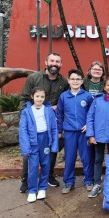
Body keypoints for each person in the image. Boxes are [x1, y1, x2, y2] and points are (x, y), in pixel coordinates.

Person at [20, 52, 69, 193]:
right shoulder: (33, 78)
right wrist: (27, 117)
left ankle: (49, 176)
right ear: (46, 62)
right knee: (29, 153)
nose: (54, 64)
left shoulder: (64, 82)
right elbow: (23, 99)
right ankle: (26, 180)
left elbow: (65, 102)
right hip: (34, 122)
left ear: (60, 64)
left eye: (57, 62)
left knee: (52, 150)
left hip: (53, 124)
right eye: (52, 61)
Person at [56, 69, 94, 194]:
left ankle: (88, 180)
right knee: (70, 158)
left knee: (86, 157)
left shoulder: (87, 96)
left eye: (78, 79)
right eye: (73, 79)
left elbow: (92, 113)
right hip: (69, 132)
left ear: (82, 81)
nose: (75, 81)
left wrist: (89, 125)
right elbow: (59, 114)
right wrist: (60, 129)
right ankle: (68, 182)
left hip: (83, 132)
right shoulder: (63, 96)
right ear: (68, 81)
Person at [19, 87, 58, 203]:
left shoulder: (48, 110)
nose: (39, 99)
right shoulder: (26, 112)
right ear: (32, 97)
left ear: (44, 98)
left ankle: (42, 188)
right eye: (37, 96)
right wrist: (26, 147)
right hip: (33, 142)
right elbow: (23, 130)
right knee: (33, 166)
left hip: (45, 140)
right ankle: (32, 190)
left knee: (46, 164)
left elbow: (54, 128)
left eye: (42, 97)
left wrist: (54, 145)